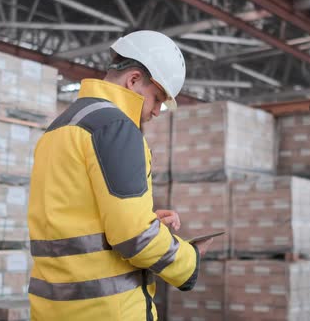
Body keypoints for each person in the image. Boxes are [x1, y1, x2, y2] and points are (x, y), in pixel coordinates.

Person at [27, 30, 213, 320]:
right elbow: (133, 236)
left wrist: (146, 219)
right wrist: (189, 260)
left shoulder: (59, 128)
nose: (157, 111)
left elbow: (76, 218)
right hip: (105, 310)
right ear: (134, 80)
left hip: (52, 309)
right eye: (157, 98)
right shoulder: (115, 128)